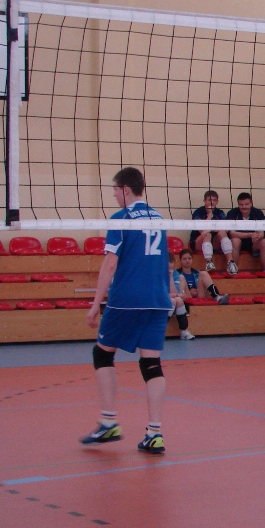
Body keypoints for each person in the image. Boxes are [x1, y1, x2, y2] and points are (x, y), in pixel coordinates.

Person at [81, 167, 171, 454]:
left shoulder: (121, 218)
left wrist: (95, 303)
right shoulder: (158, 218)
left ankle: (109, 422)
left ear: (126, 190)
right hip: (158, 299)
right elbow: (164, 261)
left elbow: (110, 264)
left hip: (127, 299)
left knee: (102, 353)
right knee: (151, 363)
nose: (113, 194)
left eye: (115, 189)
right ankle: (154, 433)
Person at [226, 192, 265, 273]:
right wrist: (250, 234)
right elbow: (232, 234)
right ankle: (233, 270)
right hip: (238, 241)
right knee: (235, 241)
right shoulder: (232, 213)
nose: (244, 207)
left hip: (252, 242)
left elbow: (261, 233)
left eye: (246, 204)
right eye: (241, 204)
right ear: (238, 205)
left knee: (263, 242)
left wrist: (258, 237)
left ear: (251, 204)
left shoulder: (257, 213)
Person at [189, 189, 232, 274]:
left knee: (222, 233)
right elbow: (202, 231)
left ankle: (231, 263)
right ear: (204, 201)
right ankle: (209, 262)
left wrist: (211, 228)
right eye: (209, 200)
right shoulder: (198, 212)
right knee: (207, 234)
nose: (212, 202)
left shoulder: (220, 213)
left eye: (214, 200)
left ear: (217, 202)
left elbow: (226, 229)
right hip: (198, 242)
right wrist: (210, 215)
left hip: (214, 242)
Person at [168, 253, 194, 340]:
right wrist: (175, 295)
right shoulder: (158, 274)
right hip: (158, 299)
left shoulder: (174, 273)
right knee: (173, 300)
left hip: (169, 298)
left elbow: (174, 292)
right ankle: (160, 329)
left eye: (171, 262)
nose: (169, 265)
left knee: (179, 300)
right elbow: (162, 293)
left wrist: (170, 277)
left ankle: (184, 330)